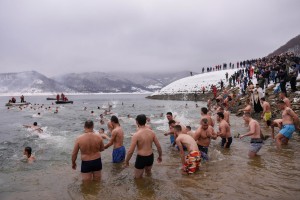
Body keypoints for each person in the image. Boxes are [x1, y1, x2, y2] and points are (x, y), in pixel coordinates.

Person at [124, 114, 162, 178]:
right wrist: (160, 156)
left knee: (137, 178)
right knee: (148, 174)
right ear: (145, 121)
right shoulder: (152, 132)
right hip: (150, 156)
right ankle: (149, 187)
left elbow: (130, 151)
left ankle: (142, 187)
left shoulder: (136, 135)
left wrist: (127, 161)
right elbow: (159, 146)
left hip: (141, 158)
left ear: (137, 122)